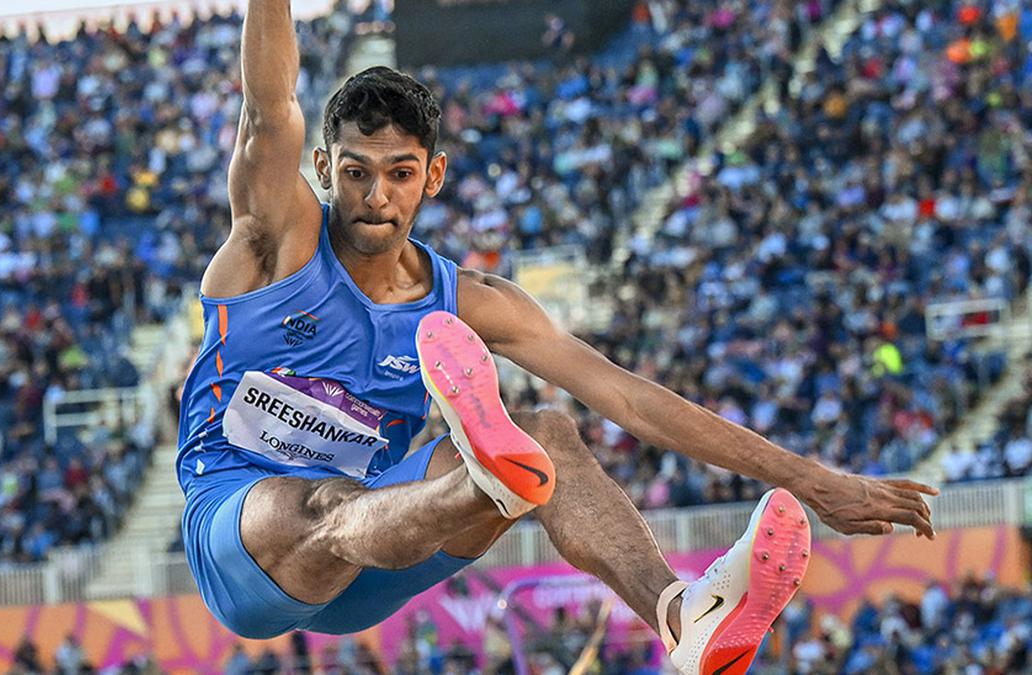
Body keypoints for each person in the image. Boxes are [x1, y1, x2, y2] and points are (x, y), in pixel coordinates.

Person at [176, 3, 938, 673]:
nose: (376, 196)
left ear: (433, 175)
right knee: (320, 501)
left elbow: (631, 399)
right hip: (241, 533)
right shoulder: (277, 241)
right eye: (355, 173)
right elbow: (270, 108)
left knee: (550, 433)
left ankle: (682, 616)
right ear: (322, 168)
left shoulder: (472, 301)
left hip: (387, 544)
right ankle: (491, 478)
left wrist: (813, 480)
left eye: (400, 173)